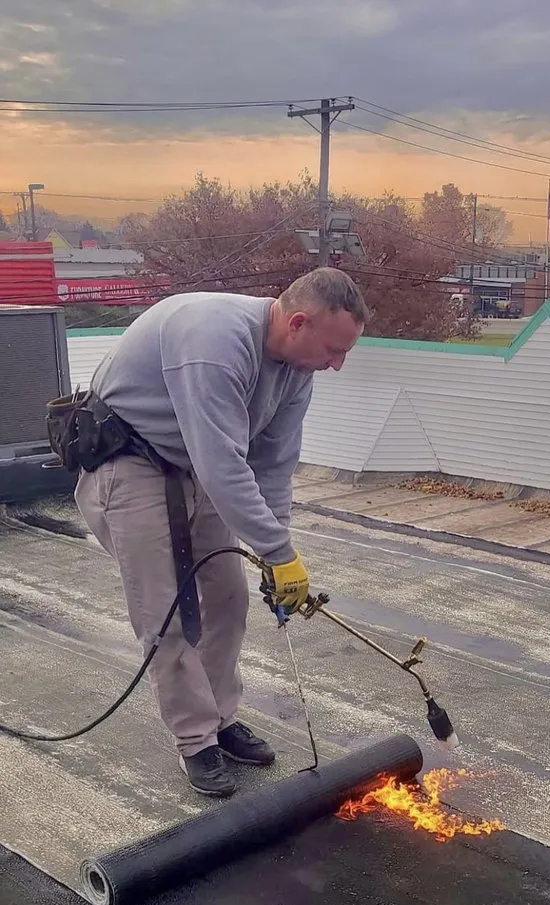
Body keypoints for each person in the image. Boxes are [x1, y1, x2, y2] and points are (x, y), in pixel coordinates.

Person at [73, 267, 369, 798]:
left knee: (229, 598)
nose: (337, 364)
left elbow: (272, 464)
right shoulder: (214, 340)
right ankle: (195, 741)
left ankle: (219, 717)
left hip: (194, 469)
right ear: (297, 322)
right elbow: (222, 464)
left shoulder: (296, 370)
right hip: (130, 464)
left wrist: (277, 552)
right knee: (169, 614)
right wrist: (278, 551)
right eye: (333, 350)